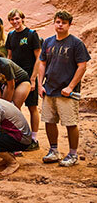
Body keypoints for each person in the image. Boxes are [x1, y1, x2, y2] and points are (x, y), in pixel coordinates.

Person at [38, 10, 90, 167]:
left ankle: (73, 154)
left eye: (64, 23)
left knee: (70, 122)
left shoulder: (76, 43)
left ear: (69, 25)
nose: (60, 25)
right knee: (49, 120)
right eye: (58, 22)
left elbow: (82, 66)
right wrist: (40, 84)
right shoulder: (48, 42)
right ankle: (54, 151)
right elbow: (42, 63)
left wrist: (71, 86)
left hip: (66, 91)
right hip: (49, 88)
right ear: (54, 23)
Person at [6, 9, 41, 150]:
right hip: (16, 76)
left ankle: (34, 139)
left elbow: (39, 57)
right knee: (15, 107)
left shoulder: (31, 34)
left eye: (17, 19)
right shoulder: (11, 35)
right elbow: (9, 57)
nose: (15, 22)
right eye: (12, 20)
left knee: (32, 107)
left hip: (29, 74)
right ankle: (18, 137)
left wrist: (33, 79)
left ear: (22, 18)